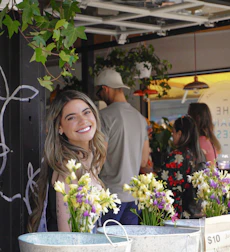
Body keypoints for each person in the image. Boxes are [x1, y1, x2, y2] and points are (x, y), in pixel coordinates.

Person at [28, 90, 106, 232]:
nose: (83, 121)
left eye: (86, 112)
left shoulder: (92, 156)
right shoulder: (68, 169)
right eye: (71, 118)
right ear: (60, 127)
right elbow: (67, 235)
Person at [96, 68, 150, 225]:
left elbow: (100, 156)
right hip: (133, 198)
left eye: (98, 92)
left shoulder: (104, 116)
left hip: (110, 197)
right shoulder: (140, 119)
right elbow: (144, 161)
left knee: (107, 245)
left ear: (105, 89)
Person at [158, 115, 205, 219]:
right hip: (197, 212)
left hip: (178, 213)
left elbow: (162, 185)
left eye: (173, 133)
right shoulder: (199, 155)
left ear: (179, 134)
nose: (172, 136)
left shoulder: (176, 156)